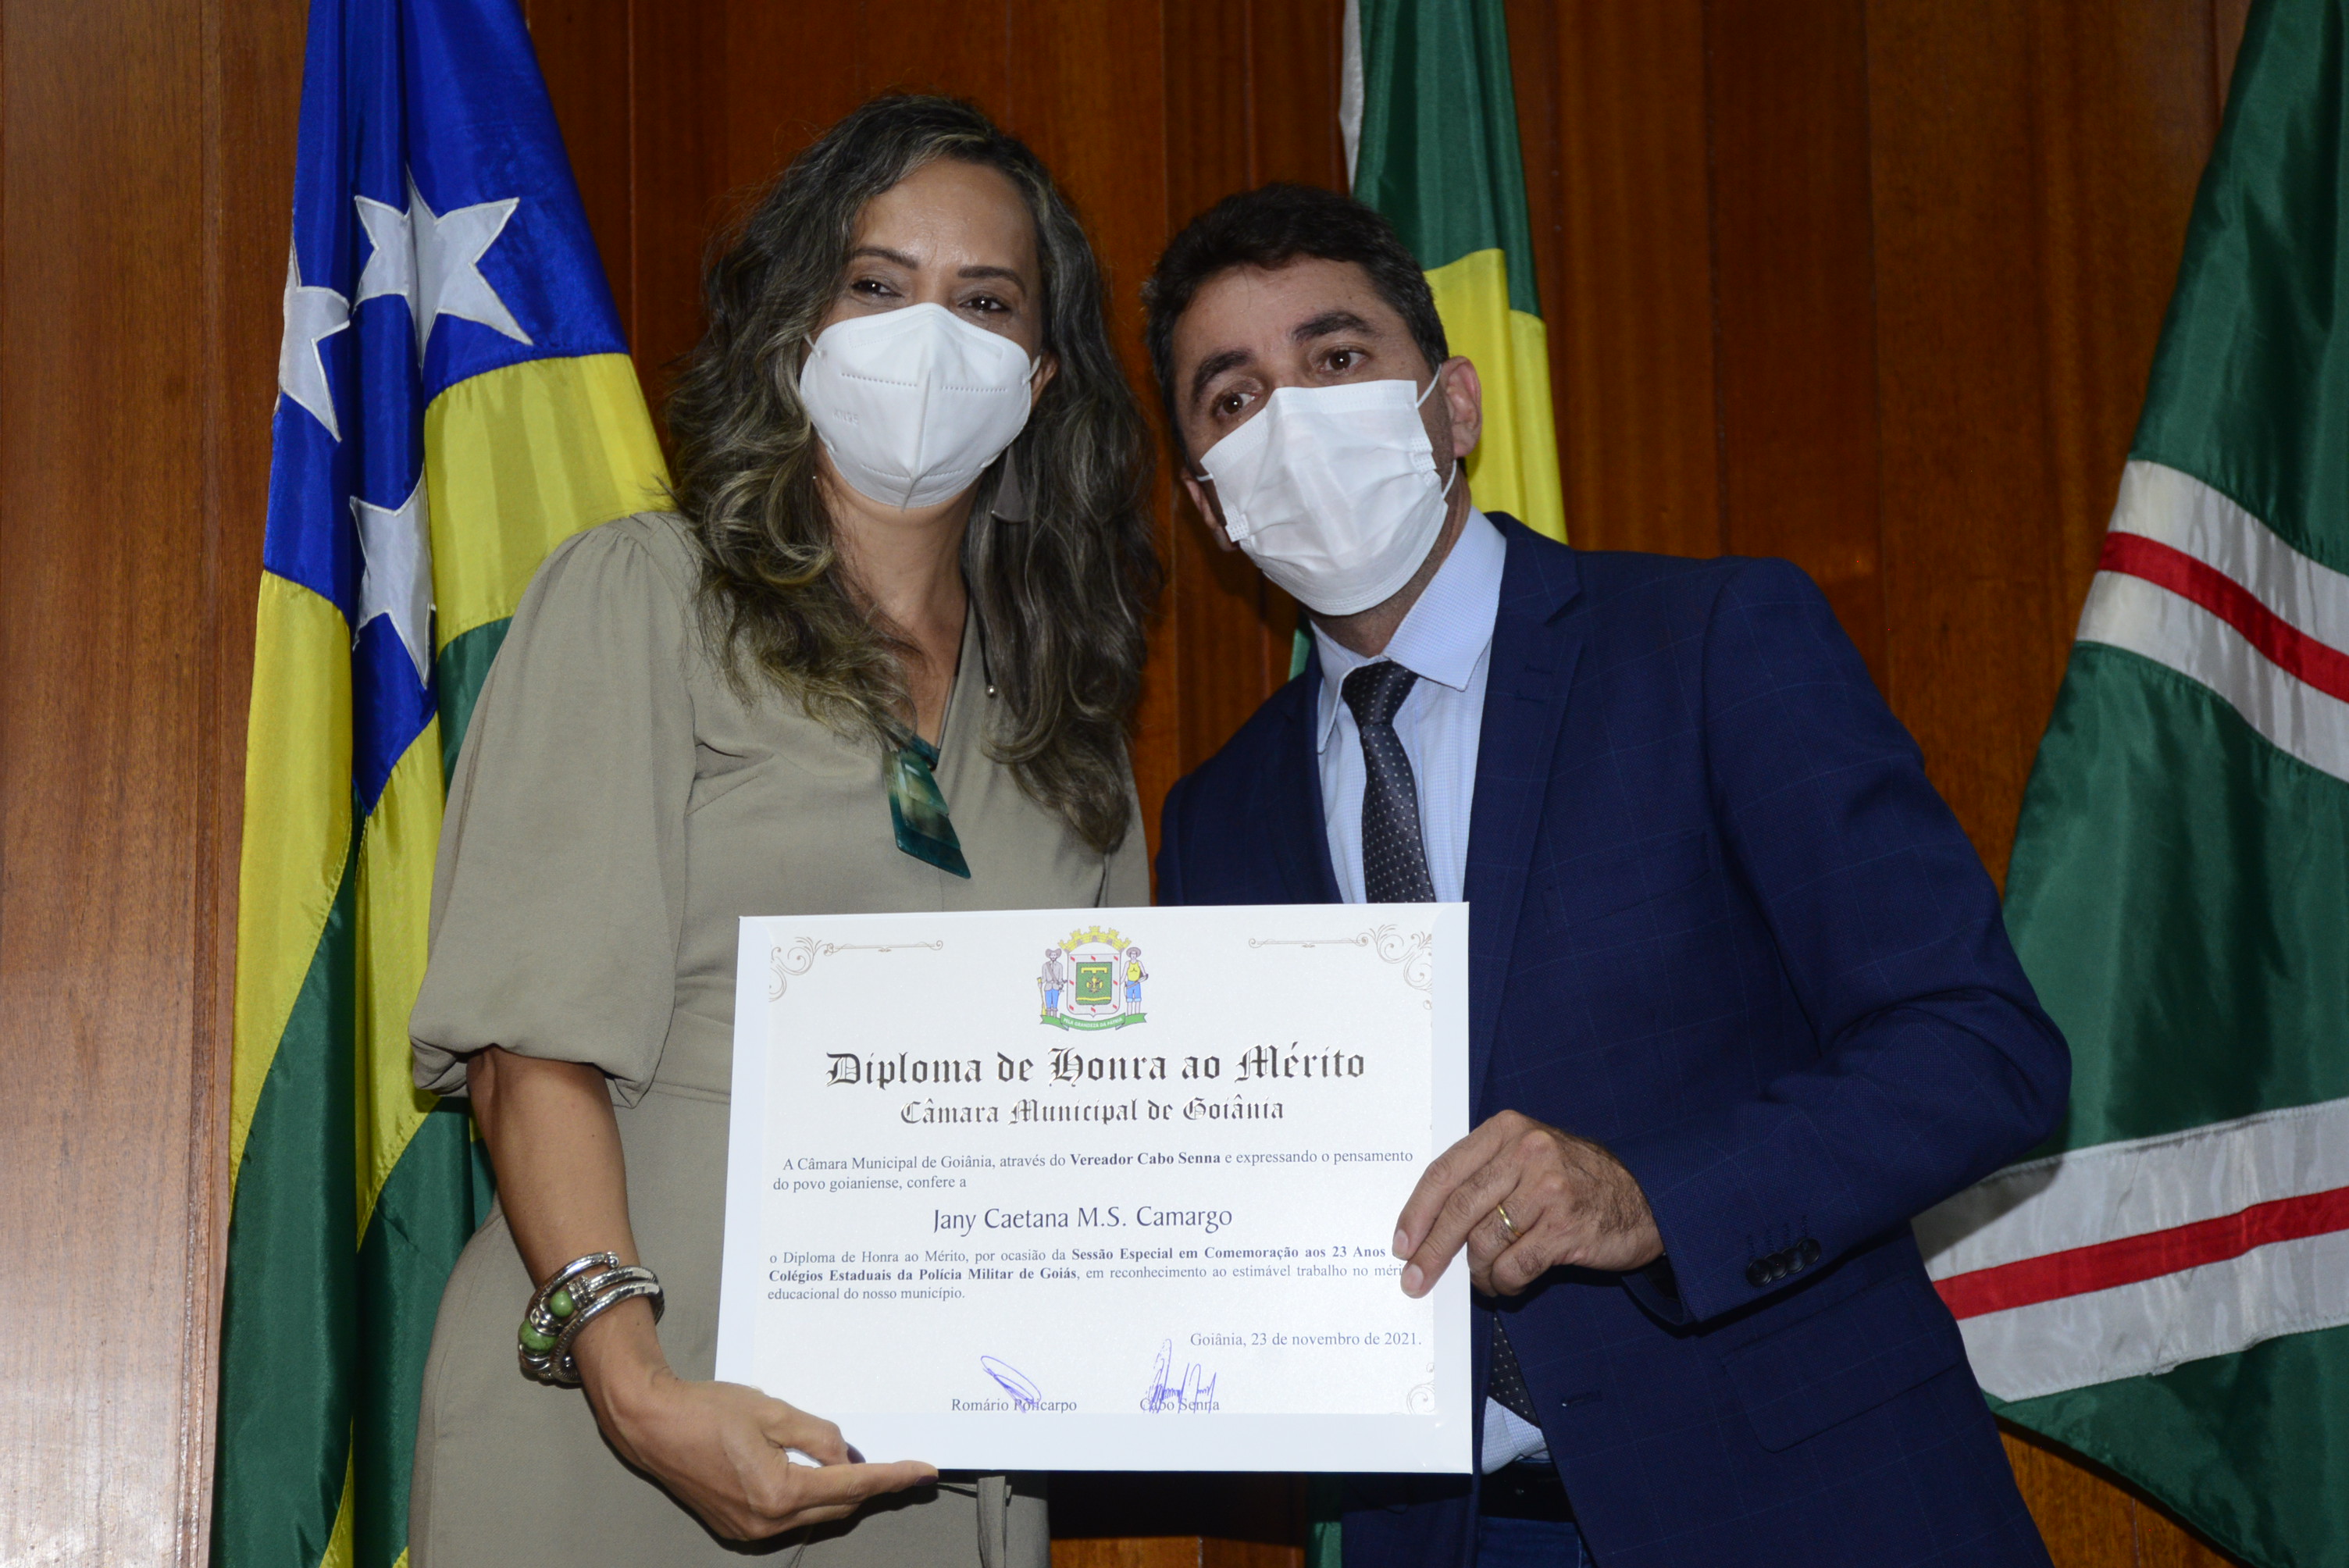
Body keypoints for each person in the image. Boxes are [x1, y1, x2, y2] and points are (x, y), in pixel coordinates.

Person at [1145, 184, 2069, 1568]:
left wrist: (1648, 1196)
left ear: (1454, 406)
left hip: (1807, 1509)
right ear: (1209, 504)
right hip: (1449, 1538)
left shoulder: (1708, 643)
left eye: (1336, 359)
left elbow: (1981, 1051)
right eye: (1234, 398)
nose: (1292, 420)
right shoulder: (1215, 819)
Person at [406, 94, 1157, 1566]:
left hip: (936, 1468)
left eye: (985, 301)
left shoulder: (1070, 728)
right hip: (624, 1433)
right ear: (797, 324)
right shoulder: (645, 597)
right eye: (878, 283)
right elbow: (526, 1051)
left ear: (1040, 376)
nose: (929, 333)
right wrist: (638, 1391)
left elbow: (1111, 1120)